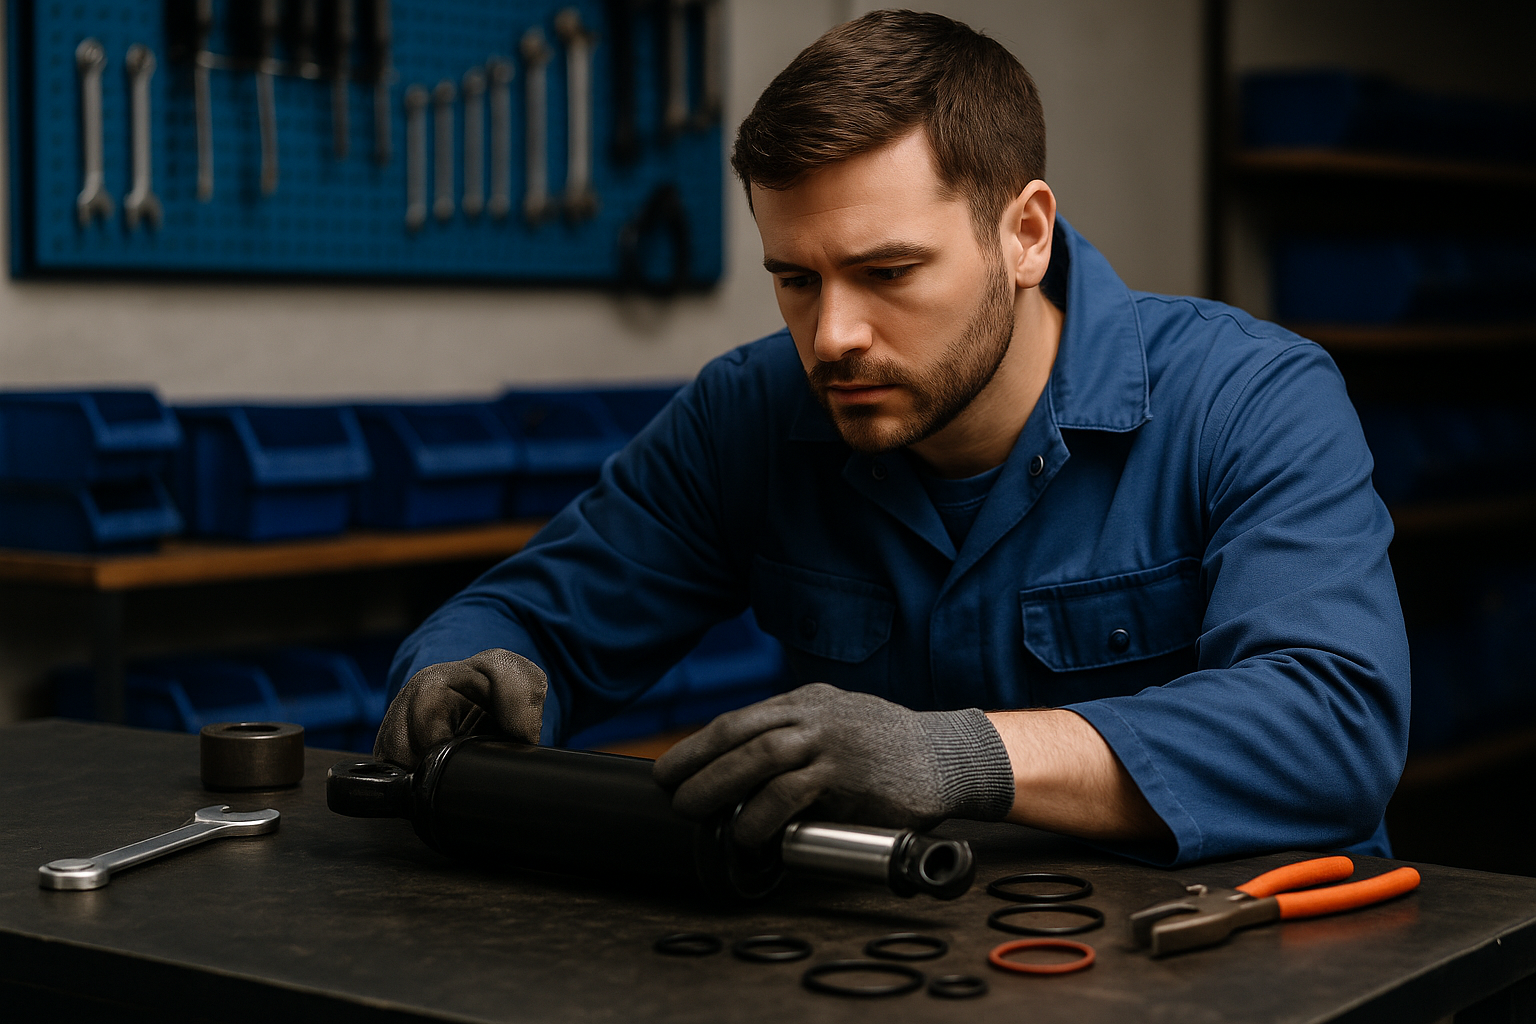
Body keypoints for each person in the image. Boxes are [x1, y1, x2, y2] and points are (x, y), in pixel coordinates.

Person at [375, 10, 1409, 866]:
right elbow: (533, 619)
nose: (832, 337)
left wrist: (960, 759)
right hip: (897, 954)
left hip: (1219, 970)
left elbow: (1333, 723)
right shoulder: (752, 412)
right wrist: (462, 671)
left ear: (1026, 234)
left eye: (888, 272)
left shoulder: (1250, 398)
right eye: (796, 279)